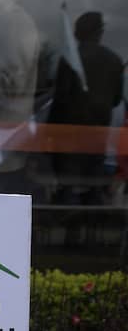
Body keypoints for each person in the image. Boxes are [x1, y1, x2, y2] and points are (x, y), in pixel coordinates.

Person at [48, 12, 124, 205]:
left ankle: (68, 225)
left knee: (68, 189)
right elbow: (116, 100)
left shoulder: (71, 60)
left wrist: (48, 132)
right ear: (100, 32)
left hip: (68, 136)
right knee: (93, 189)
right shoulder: (114, 61)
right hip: (98, 136)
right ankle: (92, 227)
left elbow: (61, 99)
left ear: (78, 32)